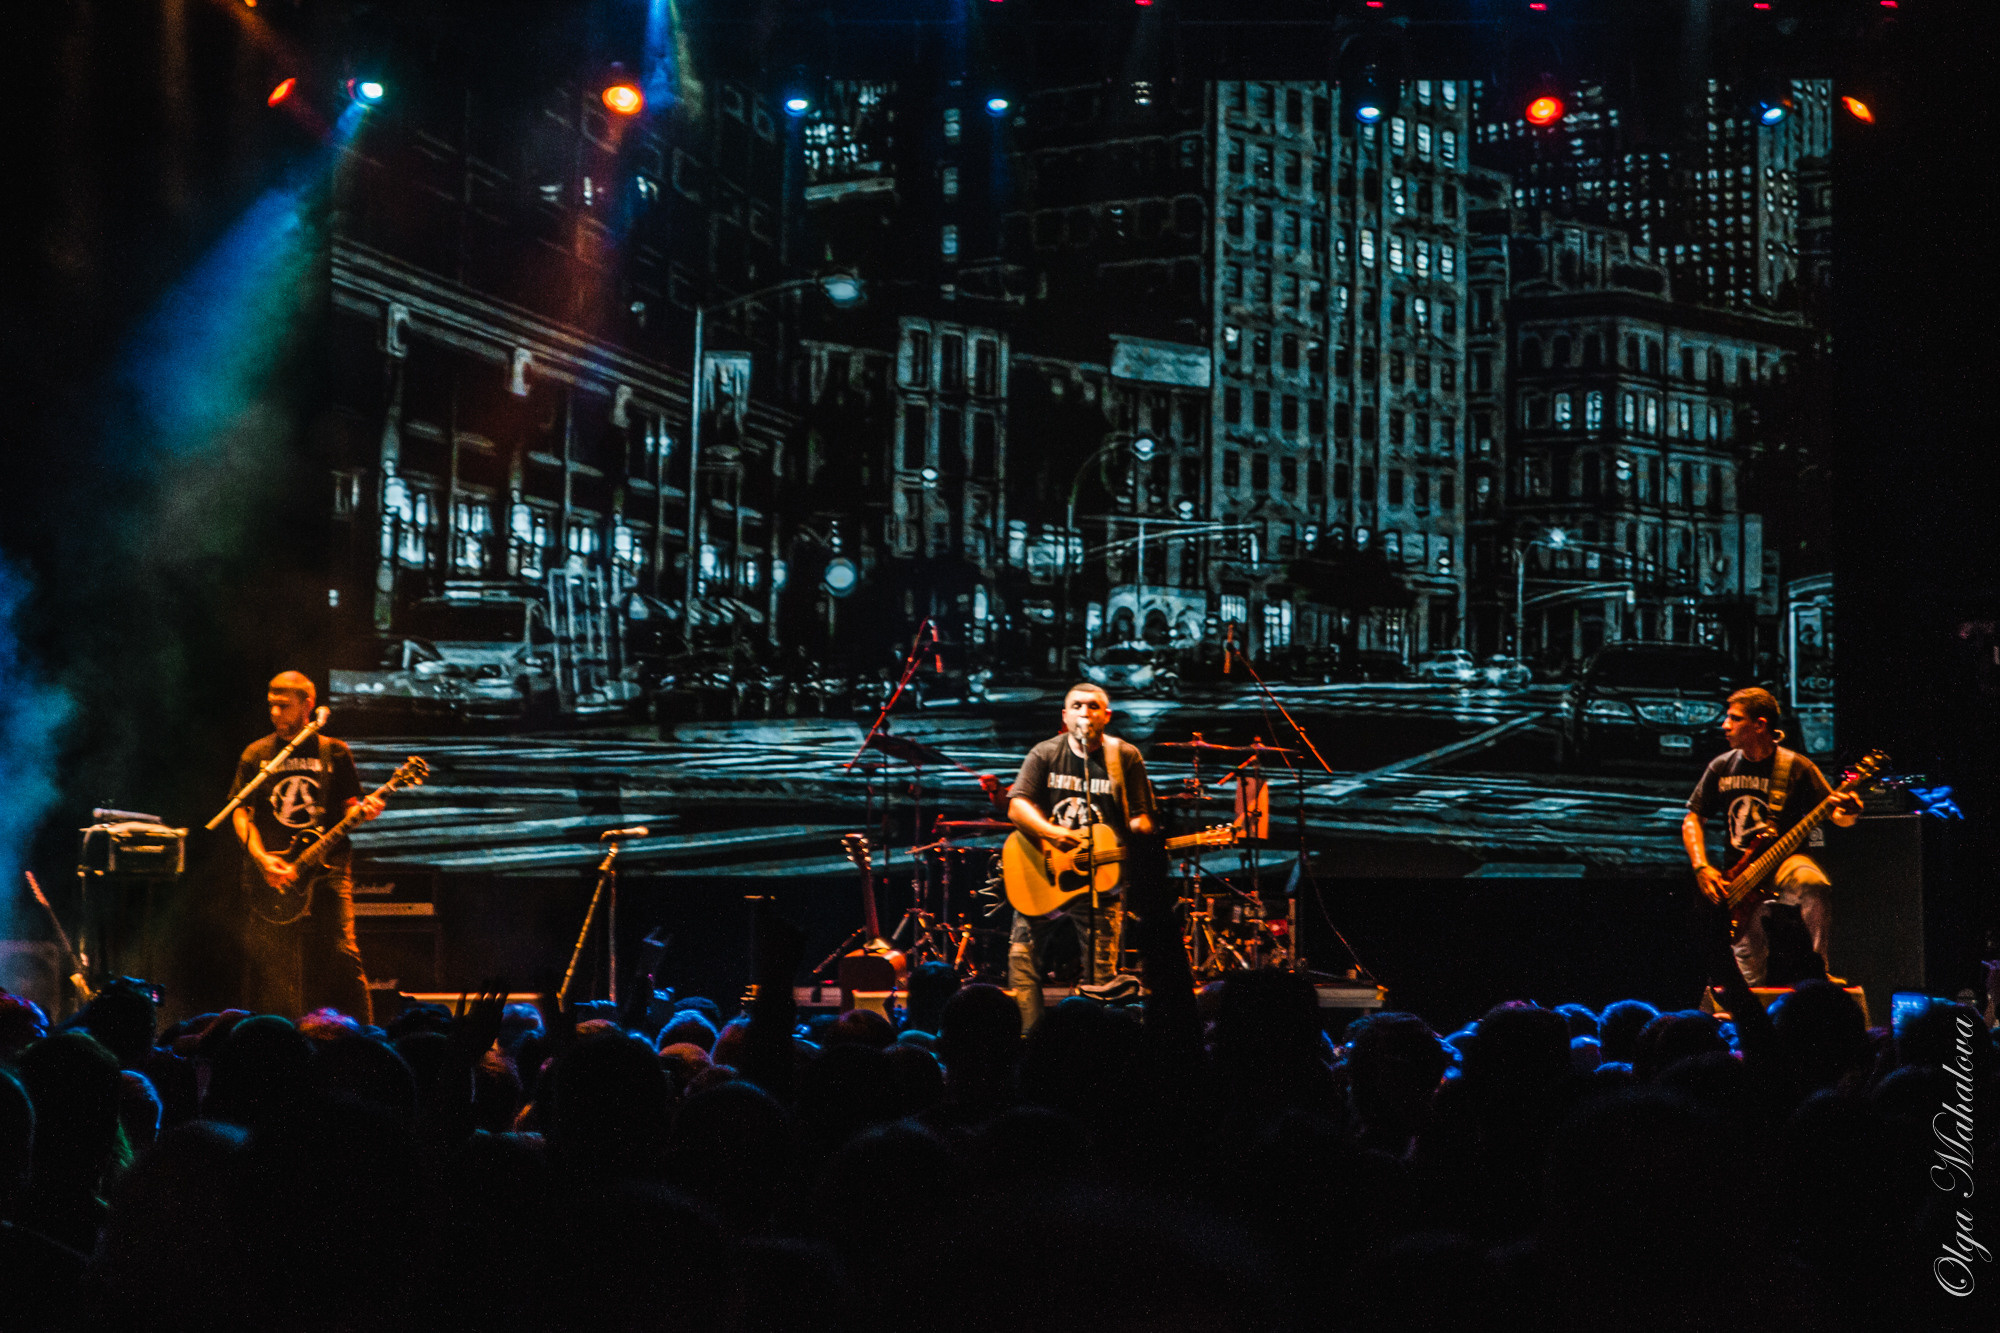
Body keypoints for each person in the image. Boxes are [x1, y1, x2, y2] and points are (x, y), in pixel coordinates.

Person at [1682, 686, 1860, 986]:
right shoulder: (1722, 766)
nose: (1725, 725)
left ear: (1759, 725)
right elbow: (1692, 819)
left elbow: (1836, 815)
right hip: (1739, 878)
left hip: (1785, 862)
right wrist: (1701, 866)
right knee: (1748, 975)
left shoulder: (1796, 766)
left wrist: (1851, 810)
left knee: (1813, 884)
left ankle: (1818, 972)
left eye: (1734, 719)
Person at [231, 671, 383, 1022]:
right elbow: (241, 814)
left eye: (284, 706)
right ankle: (278, 1043)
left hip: (329, 867)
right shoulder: (257, 754)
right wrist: (262, 858)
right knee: (276, 967)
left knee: (344, 954)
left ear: (307, 705)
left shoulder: (334, 751)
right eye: (271, 706)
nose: (275, 713)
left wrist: (366, 810)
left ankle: (367, 1038)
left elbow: (350, 808)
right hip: (274, 873)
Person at [1005, 683, 1156, 1032]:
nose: (1084, 713)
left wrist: (1140, 827)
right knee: (1022, 960)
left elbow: (1141, 815)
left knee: (1103, 976)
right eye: (1076, 706)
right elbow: (1017, 805)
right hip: (1045, 873)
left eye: (1092, 706)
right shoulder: (1045, 753)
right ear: (1064, 714)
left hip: (1103, 879)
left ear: (1106, 715)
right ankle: (1030, 1041)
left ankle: (1092, 1046)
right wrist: (1057, 833)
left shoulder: (1125, 756)